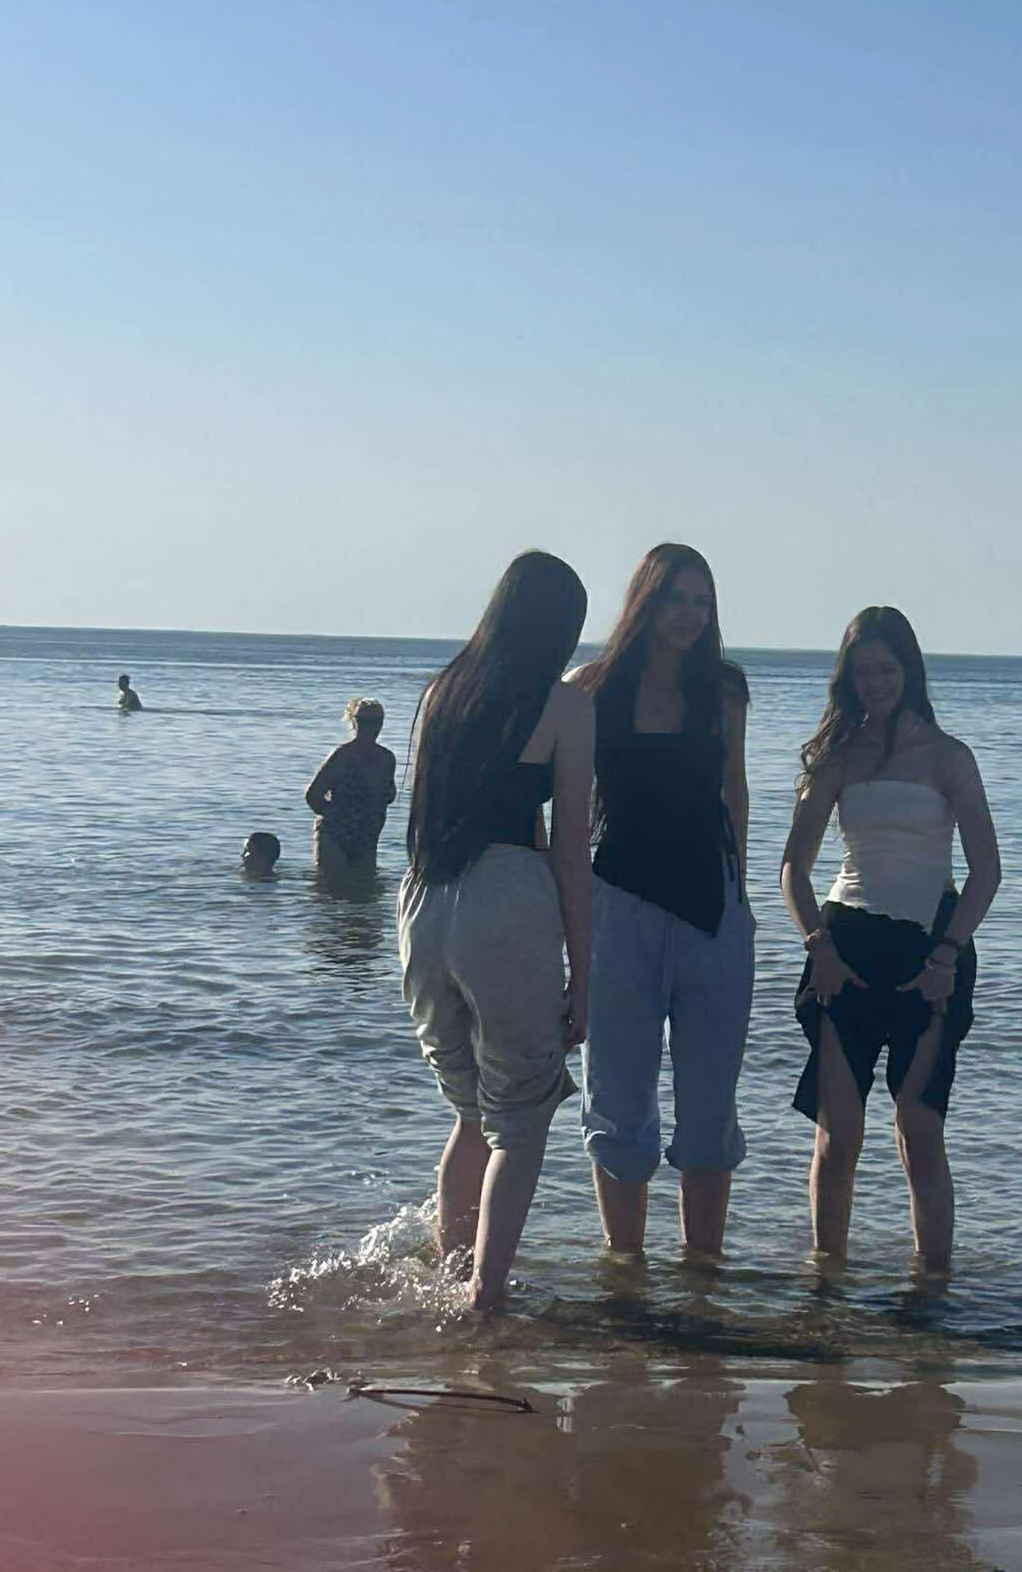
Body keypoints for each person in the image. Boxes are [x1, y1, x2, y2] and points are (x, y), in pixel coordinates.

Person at [398, 552, 594, 1312]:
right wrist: (585, 972)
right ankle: (485, 1299)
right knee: (520, 1120)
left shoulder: (442, 692)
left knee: (471, 1114)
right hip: (505, 899)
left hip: (424, 900)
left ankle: (447, 1278)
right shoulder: (565, 706)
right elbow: (570, 849)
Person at [780, 606, 1001, 1273]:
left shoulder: (949, 757)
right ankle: (827, 1283)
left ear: (909, 670)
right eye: (862, 672)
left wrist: (947, 955)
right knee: (838, 1134)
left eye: (886, 669)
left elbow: (986, 871)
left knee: (920, 1129)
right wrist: (818, 946)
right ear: (846, 678)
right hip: (845, 944)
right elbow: (793, 869)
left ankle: (932, 1288)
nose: (874, 683)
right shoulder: (837, 756)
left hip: (930, 948)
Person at [571, 543, 753, 1261]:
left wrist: (741, 898)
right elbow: (568, 812)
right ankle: (627, 1274)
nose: (688, 615)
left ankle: (702, 1278)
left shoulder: (725, 690)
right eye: (675, 598)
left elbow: (734, 792)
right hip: (619, 910)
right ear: (645, 601)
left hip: (712, 909)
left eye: (701, 602)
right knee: (618, 1105)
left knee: (709, 1110)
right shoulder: (591, 689)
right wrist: (567, 917)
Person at [305, 699, 397, 876]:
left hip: (367, 837)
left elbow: (389, 795)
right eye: (364, 721)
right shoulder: (342, 756)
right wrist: (337, 817)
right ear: (354, 722)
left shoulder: (387, 758)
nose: (371, 727)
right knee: (330, 887)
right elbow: (313, 795)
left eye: (376, 721)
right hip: (335, 835)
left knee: (366, 890)